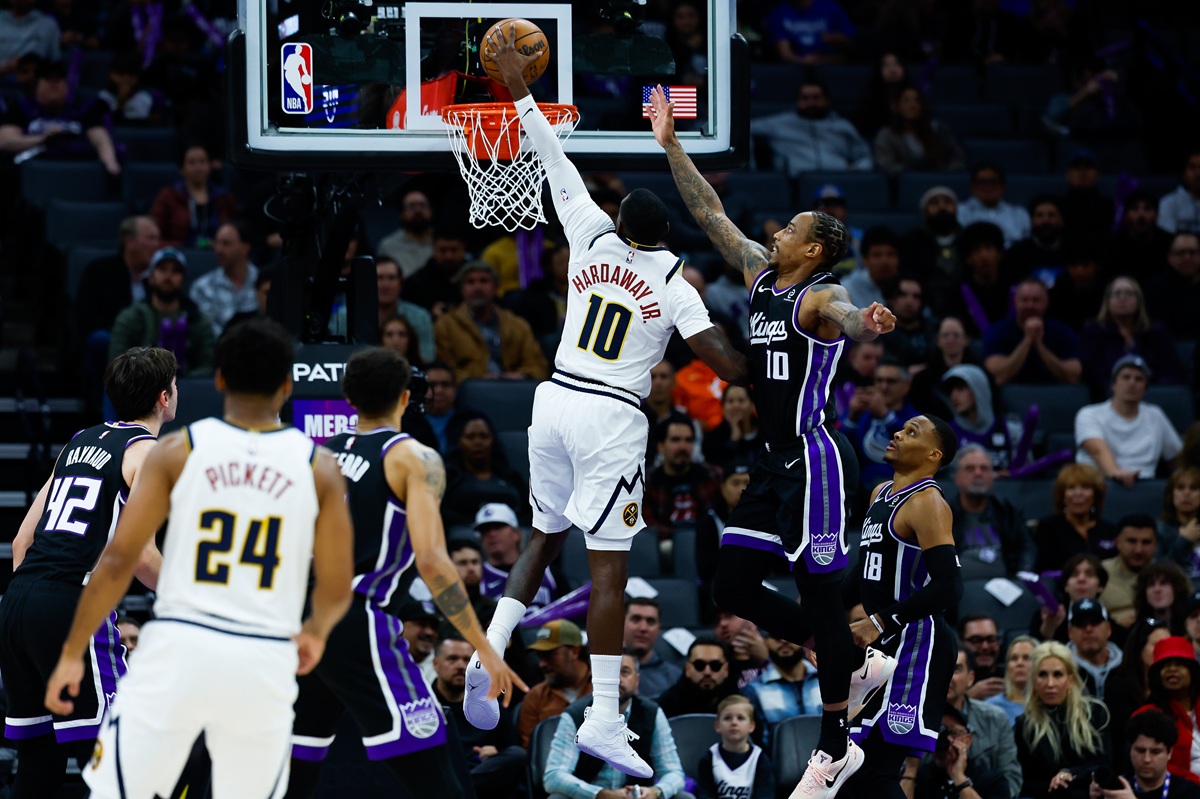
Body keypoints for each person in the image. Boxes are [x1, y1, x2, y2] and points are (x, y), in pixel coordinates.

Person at [464, 33, 748, 780]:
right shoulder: (676, 284)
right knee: (609, 571)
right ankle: (604, 718)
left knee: (542, 535)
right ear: (666, 238)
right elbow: (726, 365)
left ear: (620, 219)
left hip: (554, 400)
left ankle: (489, 647)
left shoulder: (590, 231)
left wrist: (519, 86)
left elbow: (549, 152)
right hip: (610, 417)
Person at [654, 82, 903, 798]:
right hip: (771, 460)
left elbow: (848, 314)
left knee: (821, 596)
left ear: (813, 247)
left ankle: (835, 745)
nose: (776, 231)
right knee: (730, 584)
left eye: (790, 228)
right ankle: (852, 658)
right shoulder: (760, 277)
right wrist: (671, 144)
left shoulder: (818, 295)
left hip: (817, 460)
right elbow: (710, 213)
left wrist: (868, 321)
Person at [39, 320, 354, 799]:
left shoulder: (175, 449)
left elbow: (119, 559)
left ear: (219, 379)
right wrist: (315, 633)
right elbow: (336, 582)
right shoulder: (321, 466)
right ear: (287, 386)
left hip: (182, 645)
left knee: (119, 790)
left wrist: (70, 654)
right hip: (262, 653)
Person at [286, 346, 525, 798]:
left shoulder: (316, 454)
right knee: (438, 771)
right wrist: (483, 647)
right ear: (404, 396)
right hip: (356, 619)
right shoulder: (414, 458)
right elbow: (433, 561)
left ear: (348, 399)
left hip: (300, 619)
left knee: (295, 769)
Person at [0, 348, 175, 799]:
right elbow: (141, 557)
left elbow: (21, 542)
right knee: (121, 756)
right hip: (71, 603)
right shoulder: (147, 452)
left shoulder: (78, 442)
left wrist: (36, 602)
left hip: (17, 600)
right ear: (164, 397)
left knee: (38, 765)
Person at [844, 415, 964, 799]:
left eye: (912, 432)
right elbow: (864, 572)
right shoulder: (880, 493)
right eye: (902, 429)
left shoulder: (928, 502)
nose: (897, 433)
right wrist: (821, 617)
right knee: (848, 767)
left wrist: (878, 621)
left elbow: (949, 585)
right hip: (880, 641)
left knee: (875, 771)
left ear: (933, 455)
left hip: (916, 643)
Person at [543, 651, 690, 799]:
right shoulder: (576, 715)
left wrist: (655, 791)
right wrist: (600, 794)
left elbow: (674, 772)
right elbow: (554, 776)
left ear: (637, 680)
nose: (616, 679)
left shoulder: (652, 714)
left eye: (624, 672)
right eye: (609, 673)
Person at [431, 637, 527, 799]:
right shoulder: (423, 705)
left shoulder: (491, 706)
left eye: (467, 660)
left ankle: (458, 791)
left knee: (517, 755)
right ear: (436, 664)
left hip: (482, 779)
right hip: (444, 775)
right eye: (452, 659)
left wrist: (496, 753)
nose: (461, 666)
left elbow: (513, 753)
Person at [1014, 642, 1112, 799]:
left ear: (1070, 680)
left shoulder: (1094, 713)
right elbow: (1025, 781)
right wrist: (1055, 786)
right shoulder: (1025, 725)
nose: (1050, 684)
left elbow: (1104, 763)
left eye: (1058, 675)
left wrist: (1068, 773)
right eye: (1042, 675)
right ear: (1034, 681)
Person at [1075, 355, 1182, 487]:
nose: (1132, 383)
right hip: (1100, 486)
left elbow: (1176, 458)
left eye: (1139, 379)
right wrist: (1116, 473)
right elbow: (1098, 451)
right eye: (1126, 377)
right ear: (1113, 385)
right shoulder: (1089, 414)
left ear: (1145, 388)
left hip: (1145, 487)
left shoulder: (1156, 415)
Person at [108, 247, 216, 377]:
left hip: (186, 386)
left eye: (175, 271)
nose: (168, 276)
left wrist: (182, 378)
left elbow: (208, 366)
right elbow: (117, 365)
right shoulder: (130, 318)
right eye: (162, 269)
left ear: (183, 280)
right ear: (150, 278)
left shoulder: (198, 320)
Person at [434, 261, 549, 382]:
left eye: (484, 281)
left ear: (495, 288)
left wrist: (518, 376)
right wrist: (479, 379)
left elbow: (538, 366)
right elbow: (444, 372)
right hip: (468, 389)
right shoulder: (446, 325)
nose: (477, 287)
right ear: (462, 289)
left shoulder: (517, 325)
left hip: (512, 387)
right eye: (470, 282)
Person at [940, 644, 1024, 799]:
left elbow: (1012, 779)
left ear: (970, 678)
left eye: (955, 669)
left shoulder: (996, 719)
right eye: (941, 668)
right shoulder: (915, 720)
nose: (947, 676)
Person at [749, 79, 874, 176]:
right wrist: (752, 168)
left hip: (838, 180)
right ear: (798, 101)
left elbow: (865, 156)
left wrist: (855, 170)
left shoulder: (842, 126)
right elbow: (745, 129)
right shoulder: (778, 123)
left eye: (816, 98)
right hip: (796, 183)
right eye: (805, 98)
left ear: (827, 100)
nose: (810, 103)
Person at [948, 445, 1032, 579]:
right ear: (956, 477)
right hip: (960, 588)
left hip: (1007, 586)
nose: (978, 473)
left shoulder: (1008, 512)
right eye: (970, 469)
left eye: (984, 468)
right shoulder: (945, 515)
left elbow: (1027, 548)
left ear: (993, 476)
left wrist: (1023, 574)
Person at [983, 278, 1082, 386]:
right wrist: (1027, 341)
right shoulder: (997, 332)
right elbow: (999, 377)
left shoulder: (1063, 332)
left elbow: (1073, 377)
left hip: (1054, 391)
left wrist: (1040, 346)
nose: (1029, 305)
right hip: (1013, 392)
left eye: (1036, 300)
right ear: (1015, 302)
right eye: (1024, 300)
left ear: (1046, 302)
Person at [643, 413, 723, 541]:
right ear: (661, 446)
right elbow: (647, 526)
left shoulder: (713, 476)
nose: (683, 447)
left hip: (708, 544)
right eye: (675, 440)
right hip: (662, 546)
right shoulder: (647, 481)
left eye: (688, 440)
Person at [475, 502, 566, 614]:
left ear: (516, 533)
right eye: (485, 530)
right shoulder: (476, 577)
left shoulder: (547, 571)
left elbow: (571, 609)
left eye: (499, 527)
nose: (491, 534)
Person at [1089, 710, 1200, 799]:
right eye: (1140, 751)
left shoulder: (1190, 792)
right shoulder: (1118, 789)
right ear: (1130, 750)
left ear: (1169, 752)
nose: (1147, 759)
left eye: (1156, 752)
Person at [1133, 636, 1200, 785]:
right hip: (1180, 790)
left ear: (1193, 671)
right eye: (1165, 665)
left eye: (1179, 664)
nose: (1172, 669)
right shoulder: (1146, 716)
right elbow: (1148, 765)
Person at [518, 619, 593, 748]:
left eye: (549, 655)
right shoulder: (535, 697)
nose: (542, 664)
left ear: (574, 652)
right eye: (540, 656)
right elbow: (531, 751)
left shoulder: (604, 689)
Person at [1033, 464, 1119, 574]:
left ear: (1096, 495)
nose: (1078, 493)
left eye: (1085, 487)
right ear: (1062, 496)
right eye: (1071, 488)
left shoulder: (1109, 530)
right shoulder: (1048, 528)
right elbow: (1042, 571)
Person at [914, 704, 1013, 799]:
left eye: (952, 732)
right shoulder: (920, 778)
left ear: (967, 740)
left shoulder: (992, 781)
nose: (945, 739)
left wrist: (959, 777)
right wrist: (911, 770)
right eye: (939, 732)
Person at [741, 633, 823, 747]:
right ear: (766, 642)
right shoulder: (753, 690)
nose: (784, 640)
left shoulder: (829, 679)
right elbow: (758, 743)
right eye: (776, 635)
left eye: (790, 634)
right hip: (780, 757)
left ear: (805, 641)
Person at [150, 144, 239, 248]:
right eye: (192, 163)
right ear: (182, 169)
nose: (198, 167)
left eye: (202, 161)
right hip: (180, 252)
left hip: (218, 252)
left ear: (210, 166)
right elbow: (154, 234)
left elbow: (235, 230)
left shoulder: (223, 197)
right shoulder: (168, 196)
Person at [872, 86, 965, 176]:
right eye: (906, 101)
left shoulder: (938, 130)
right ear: (896, 106)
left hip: (939, 182)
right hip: (905, 183)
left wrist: (943, 173)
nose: (913, 105)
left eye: (917, 100)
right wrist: (911, 172)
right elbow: (886, 166)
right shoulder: (886, 135)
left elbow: (958, 159)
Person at [696, 694, 776, 799]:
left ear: (751, 726)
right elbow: (706, 794)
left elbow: (765, 795)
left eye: (740, 718)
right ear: (717, 726)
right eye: (727, 718)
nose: (734, 722)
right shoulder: (709, 758)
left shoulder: (760, 759)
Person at [189, 220, 260, 337]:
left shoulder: (264, 284)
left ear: (245, 248)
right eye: (216, 243)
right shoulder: (202, 288)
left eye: (226, 244)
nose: (218, 250)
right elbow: (205, 334)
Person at [656, 638, 738, 718]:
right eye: (699, 665)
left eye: (715, 665)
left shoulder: (739, 704)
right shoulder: (666, 706)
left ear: (726, 669)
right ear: (687, 669)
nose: (707, 672)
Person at [1102, 516, 1162, 627]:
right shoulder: (1099, 573)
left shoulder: (1167, 575)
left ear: (1156, 545)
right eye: (1131, 541)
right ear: (1118, 542)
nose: (1138, 550)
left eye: (1146, 542)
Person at [957, 163, 1031, 249]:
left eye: (993, 182)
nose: (988, 187)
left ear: (1003, 186)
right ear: (973, 187)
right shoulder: (960, 211)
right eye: (982, 182)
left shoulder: (1019, 214)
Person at [623, 597, 681, 701]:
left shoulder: (675, 678)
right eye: (636, 619)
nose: (643, 628)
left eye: (650, 621)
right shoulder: (601, 671)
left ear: (659, 629)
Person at [1066, 599, 1123, 699]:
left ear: (1109, 629)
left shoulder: (1128, 666)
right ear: (1070, 632)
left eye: (1095, 622)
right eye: (1080, 623)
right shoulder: (1061, 668)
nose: (1088, 629)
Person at [378, 189, 436, 278]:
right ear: (402, 214)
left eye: (423, 205)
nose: (418, 210)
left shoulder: (443, 242)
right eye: (412, 206)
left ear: (431, 210)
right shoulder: (388, 246)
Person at [985, 635, 1037, 725]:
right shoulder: (990, 707)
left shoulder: (1048, 705)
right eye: (1014, 658)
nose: (1019, 663)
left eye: (1027, 658)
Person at [1162, 467, 1200, 580]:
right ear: (1171, 494)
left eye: (1194, 488)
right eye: (1180, 488)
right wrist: (1184, 541)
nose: (1187, 493)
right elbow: (1159, 573)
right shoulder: (1159, 530)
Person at [1132, 563, 1193, 634]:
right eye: (1151, 584)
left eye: (1164, 583)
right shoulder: (1137, 631)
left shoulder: (1191, 626)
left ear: (1177, 588)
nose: (1157, 589)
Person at [959, 615, 1005, 699]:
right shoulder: (951, 679)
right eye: (976, 640)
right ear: (961, 643)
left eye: (991, 640)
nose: (985, 647)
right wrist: (968, 697)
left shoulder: (1011, 677)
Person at [1156, 149, 1200, 234]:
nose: (1198, 173)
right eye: (1192, 167)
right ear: (1184, 173)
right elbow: (1166, 235)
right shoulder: (1168, 203)